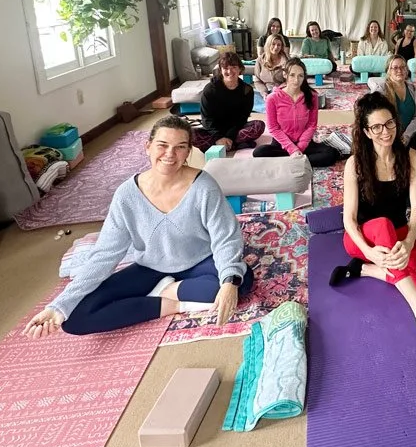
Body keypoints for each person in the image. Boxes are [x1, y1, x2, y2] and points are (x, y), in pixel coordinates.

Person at [23, 115, 254, 338]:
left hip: (201, 261)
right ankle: (170, 303)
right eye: (162, 145)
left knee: (238, 282)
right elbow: (105, 253)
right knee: (74, 318)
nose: (170, 154)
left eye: (180, 147)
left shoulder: (204, 186)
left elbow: (226, 237)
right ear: (148, 147)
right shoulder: (126, 194)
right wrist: (58, 305)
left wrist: (229, 281)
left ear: (188, 153)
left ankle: (170, 289)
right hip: (151, 268)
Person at [329, 92, 416, 355]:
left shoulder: (410, 157)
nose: (385, 132)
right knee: (383, 225)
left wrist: (408, 242)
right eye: (376, 127)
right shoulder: (355, 164)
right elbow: (348, 219)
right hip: (361, 238)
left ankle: (364, 271)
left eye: (389, 124)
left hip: (397, 235)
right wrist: (367, 251)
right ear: (366, 131)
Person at [252, 58, 339, 167]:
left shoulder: (312, 96)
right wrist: (292, 150)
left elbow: (312, 124)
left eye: (300, 76)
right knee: (259, 153)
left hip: (304, 142)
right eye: (292, 75)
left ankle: (289, 162)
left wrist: (300, 147)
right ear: (285, 74)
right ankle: (299, 161)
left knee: (330, 154)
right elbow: (273, 128)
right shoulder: (272, 98)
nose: (296, 80)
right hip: (282, 144)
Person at [192, 51, 266, 152]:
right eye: (226, 68)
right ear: (221, 70)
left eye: (234, 67)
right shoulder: (210, 89)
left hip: (236, 129)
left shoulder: (247, 90)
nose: (230, 71)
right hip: (214, 129)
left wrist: (229, 136)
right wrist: (218, 137)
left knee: (259, 126)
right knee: (190, 134)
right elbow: (206, 118)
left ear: (240, 69)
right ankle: (235, 144)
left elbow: (242, 119)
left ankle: (223, 145)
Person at [382, 54, 416, 153]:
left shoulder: (414, 89)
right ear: (388, 71)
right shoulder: (382, 91)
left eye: (402, 67)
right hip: (388, 135)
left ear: (406, 69)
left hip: (407, 135)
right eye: (395, 68)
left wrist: (406, 136)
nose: (399, 71)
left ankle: (400, 151)